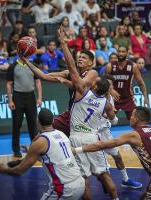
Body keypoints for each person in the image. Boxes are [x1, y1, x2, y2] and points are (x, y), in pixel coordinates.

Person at [58, 26, 118, 200]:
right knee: (105, 175)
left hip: (77, 138)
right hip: (93, 137)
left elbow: (71, 68)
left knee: (84, 179)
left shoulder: (82, 92)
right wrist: (107, 119)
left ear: (95, 86)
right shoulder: (105, 103)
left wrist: (63, 44)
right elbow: (113, 120)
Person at [73, 106, 151, 200]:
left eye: (131, 116)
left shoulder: (134, 135)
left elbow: (103, 145)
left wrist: (77, 150)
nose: (129, 118)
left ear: (136, 119)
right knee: (143, 196)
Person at [0, 108, 85, 200]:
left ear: (38, 121)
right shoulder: (61, 134)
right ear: (53, 120)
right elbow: (55, 154)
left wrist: (5, 170)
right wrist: (32, 151)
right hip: (80, 183)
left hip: (65, 189)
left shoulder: (40, 142)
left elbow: (19, 171)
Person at [97, 75, 143, 189]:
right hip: (94, 134)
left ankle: (126, 180)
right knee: (102, 165)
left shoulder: (111, 98)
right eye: (108, 84)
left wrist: (111, 116)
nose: (110, 87)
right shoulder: (95, 97)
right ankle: (105, 183)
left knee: (117, 157)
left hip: (106, 133)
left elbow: (113, 120)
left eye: (111, 85)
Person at [6, 54, 43, 157]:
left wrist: (39, 98)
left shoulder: (33, 65)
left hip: (31, 97)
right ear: (19, 54)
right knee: (16, 125)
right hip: (17, 97)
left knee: (33, 125)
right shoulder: (13, 66)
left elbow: (38, 82)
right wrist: (10, 101)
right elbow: (9, 84)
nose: (25, 55)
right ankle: (16, 150)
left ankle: (35, 148)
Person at [106, 46, 149, 120]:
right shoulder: (110, 66)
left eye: (123, 52)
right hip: (114, 98)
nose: (121, 54)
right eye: (119, 51)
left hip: (128, 98)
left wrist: (145, 97)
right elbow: (105, 82)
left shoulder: (133, 66)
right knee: (107, 120)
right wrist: (111, 90)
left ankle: (138, 132)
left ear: (127, 53)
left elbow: (140, 83)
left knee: (135, 119)